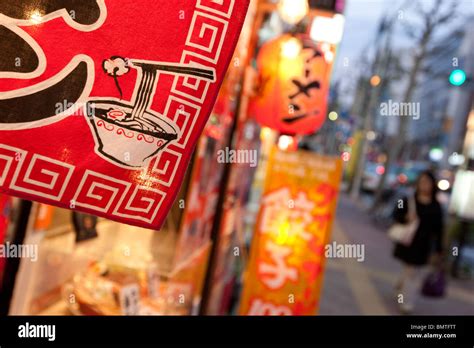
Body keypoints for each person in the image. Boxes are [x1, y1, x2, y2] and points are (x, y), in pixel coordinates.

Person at [392, 170, 444, 314]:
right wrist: (405, 217)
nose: (424, 185)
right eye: (422, 182)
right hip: (407, 242)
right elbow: (396, 213)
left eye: (427, 183)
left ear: (433, 185)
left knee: (412, 272)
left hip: (423, 246)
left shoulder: (436, 206)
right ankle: (402, 291)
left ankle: (406, 301)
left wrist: (439, 250)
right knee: (408, 270)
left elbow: (439, 230)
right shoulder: (407, 199)